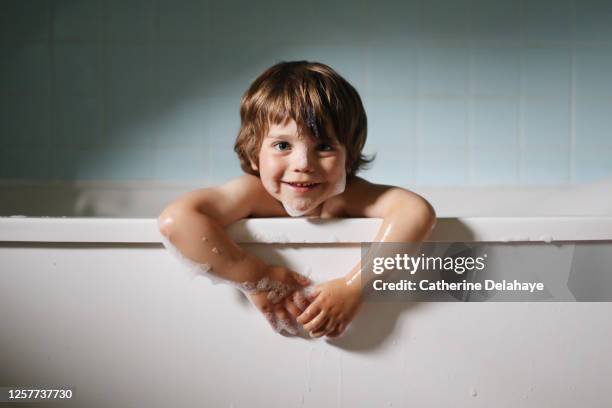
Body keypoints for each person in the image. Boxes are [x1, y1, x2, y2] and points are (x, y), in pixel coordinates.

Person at [158, 61, 436, 338]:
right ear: (254, 153)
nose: (303, 163)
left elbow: (415, 211)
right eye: (283, 146)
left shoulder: (348, 195)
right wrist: (257, 278)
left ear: (348, 156)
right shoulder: (253, 194)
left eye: (324, 147)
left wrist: (355, 286)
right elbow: (177, 220)